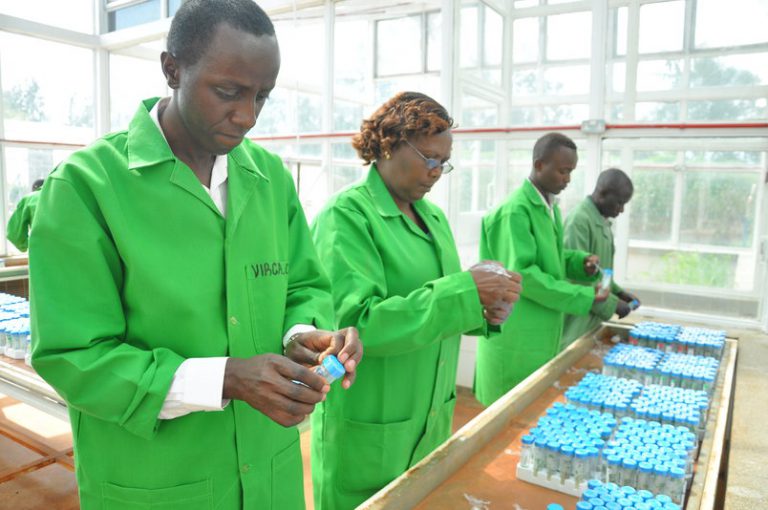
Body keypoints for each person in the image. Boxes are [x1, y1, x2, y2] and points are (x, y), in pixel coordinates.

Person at [28, 1, 362, 509]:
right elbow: (74, 356)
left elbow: (302, 284)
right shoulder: (85, 187)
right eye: (228, 92)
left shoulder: (270, 179)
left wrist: (302, 335)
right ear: (172, 70)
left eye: (262, 96)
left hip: (269, 474)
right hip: (157, 481)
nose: (247, 116)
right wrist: (224, 378)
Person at [309, 92, 521, 509]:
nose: (437, 171)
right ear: (389, 144)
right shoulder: (347, 216)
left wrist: (483, 309)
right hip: (372, 426)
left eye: (444, 161)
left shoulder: (433, 218)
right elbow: (355, 325)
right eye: (429, 158)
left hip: (429, 418)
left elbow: (436, 306)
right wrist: (466, 290)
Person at [474, 132, 604, 406]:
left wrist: (580, 263)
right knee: (506, 414)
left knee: (532, 411)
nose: (567, 179)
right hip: (515, 337)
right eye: (563, 171)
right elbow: (524, 275)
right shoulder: (515, 211)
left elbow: (551, 258)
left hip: (539, 333)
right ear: (539, 165)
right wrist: (585, 296)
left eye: (571, 172)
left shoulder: (549, 207)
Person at [561, 168, 641, 349]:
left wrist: (618, 292)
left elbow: (601, 273)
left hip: (591, 322)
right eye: (619, 203)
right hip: (576, 324)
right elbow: (577, 279)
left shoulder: (603, 222)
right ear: (602, 193)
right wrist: (613, 304)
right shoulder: (579, 221)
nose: (621, 210)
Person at [6, 178, 44, 252]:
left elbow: (14, 235)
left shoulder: (29, 199)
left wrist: (25, 245)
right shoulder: (63, 197)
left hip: (41, 251)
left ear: (34, 189)